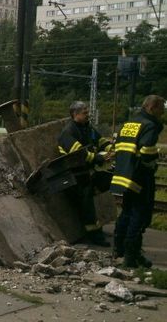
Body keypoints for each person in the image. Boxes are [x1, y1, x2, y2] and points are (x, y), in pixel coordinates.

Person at [111, 95, 165, 268]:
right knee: (139, 216)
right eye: (161, 108)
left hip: (124, 175)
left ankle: (118, 250)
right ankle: (131, 255)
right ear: (152, 108)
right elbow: (147, 150)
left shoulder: (129, 124)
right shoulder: (150, 125)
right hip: (140, 176)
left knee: (126, 212)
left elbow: (118, 147)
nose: (163, 112)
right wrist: (156, 156)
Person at [57, 101, 113, 246]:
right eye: (85, 112)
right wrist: (99, 158)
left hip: (85, 172)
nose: (88, 114)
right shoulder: (68, 132)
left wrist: (110, 149)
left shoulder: (87, 127)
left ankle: (95, 233)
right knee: (87, 207)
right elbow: (79, 155)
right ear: (75, 114)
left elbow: (100, 140)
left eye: (87, 112)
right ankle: (95, 237)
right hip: (74, 175)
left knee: (110, 179)